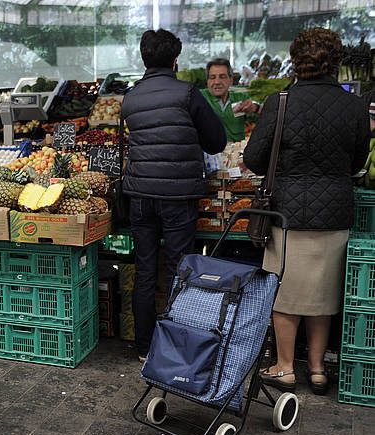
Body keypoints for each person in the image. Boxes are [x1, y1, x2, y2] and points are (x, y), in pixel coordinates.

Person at [243, 28, 370, 395]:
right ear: (336, 61)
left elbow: (253, 159)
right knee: (322, 295)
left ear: (295, 60)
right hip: (334, 212)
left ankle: (285, 367)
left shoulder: (280, 101)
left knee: (286, 294)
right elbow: (357, 161)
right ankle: (316, 369)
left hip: (288, 214)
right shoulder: (354, 107)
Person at [121, 29, 227, 362]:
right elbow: (216, 142)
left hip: (139, 195)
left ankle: (143, 347)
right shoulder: (188, 94)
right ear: (175, 60)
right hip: (178, 197)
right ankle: (175, 343)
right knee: (180, 268)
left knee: (145, 269)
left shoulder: (131, 97)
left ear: (144, 59)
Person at [201, 58, 260, 142]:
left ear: (231, 80)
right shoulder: (199, 97)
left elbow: (263, 117)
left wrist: (255, 107)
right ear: (207, 81)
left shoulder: (241, 97)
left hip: (235, 152)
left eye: (222, 77)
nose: (217, 82)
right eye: (212, 77)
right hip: (210, 152)